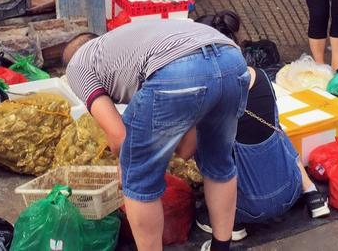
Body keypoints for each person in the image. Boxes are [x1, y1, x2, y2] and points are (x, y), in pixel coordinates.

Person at [63, 19, 250, 251]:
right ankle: (221, 248)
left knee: (138, 182)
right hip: (231, 60)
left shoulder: (77, 66)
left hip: (178, 71)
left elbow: (119, 136)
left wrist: (129, 166)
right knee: (219, 164)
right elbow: (186, 149)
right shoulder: (125, 46)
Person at [175, 10, 331, 242]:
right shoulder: (261, 77)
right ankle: (313, 195)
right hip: (290, 191)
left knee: (208, 147)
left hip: (247, 208)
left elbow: (184, 152)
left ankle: (231, 223)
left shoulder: (206, 93)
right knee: (277, 129)